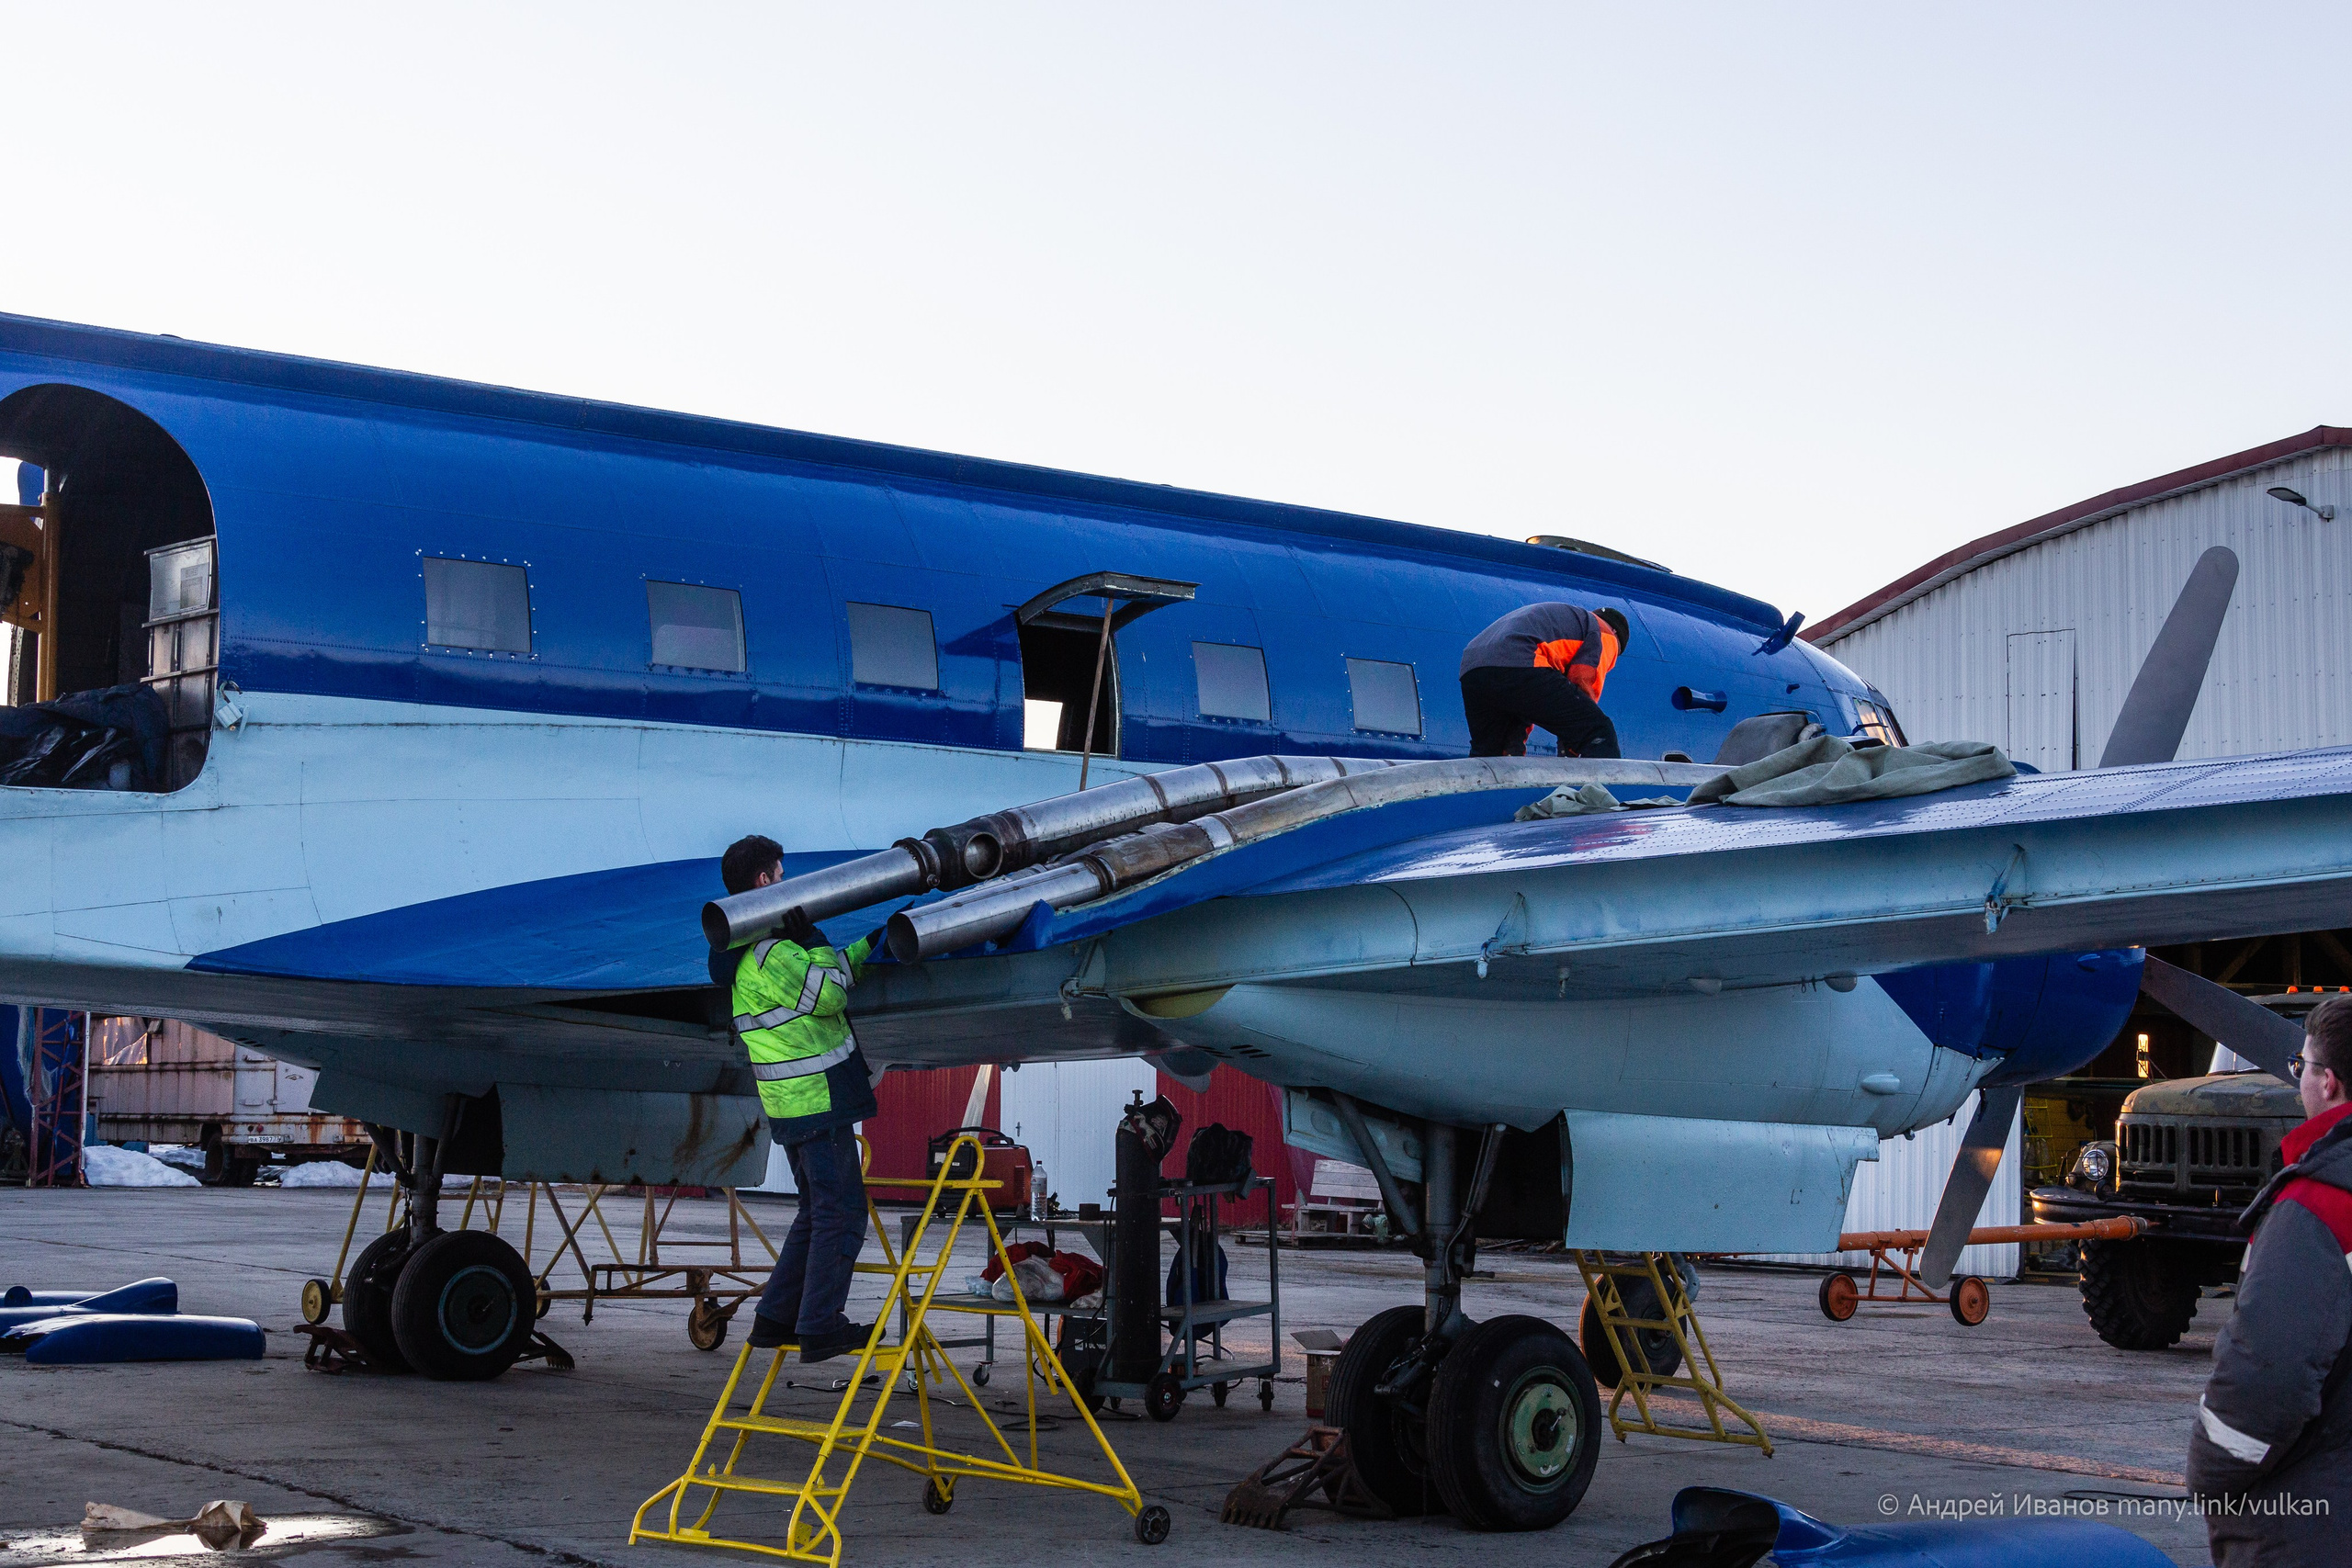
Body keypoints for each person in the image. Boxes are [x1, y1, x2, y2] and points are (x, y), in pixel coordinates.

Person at [2188, 993, 2352, 1563]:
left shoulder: (2320, 1206)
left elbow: (2268, 1375)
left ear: (2327, 1082)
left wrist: (2212, 1475)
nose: (2298, 1078)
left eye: (2300, 1066)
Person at [715, 834, 887, 1362]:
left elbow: (827, 977)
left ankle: (775, 1318)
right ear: (765, 881)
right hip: (818, 1101)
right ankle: (820, 1325)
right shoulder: (775, 953)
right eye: (782, 876)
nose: (786, 885)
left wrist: (867, 945)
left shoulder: (750, 955)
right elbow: (831, 994)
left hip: (793, 1106)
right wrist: (814, 938)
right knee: (841, 1212)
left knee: (815, 1211)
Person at [1457, 602, 1629, 759]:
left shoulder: (1566, 622)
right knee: (1598, 729)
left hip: (1474, 667)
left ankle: (1486, 792)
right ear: (1615, 633)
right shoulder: (1605, 631)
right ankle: (1600, 792)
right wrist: (1573, 745)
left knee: (1494, 753)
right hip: (1522, 659)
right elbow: (1583, 682)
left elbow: (1531, 700)